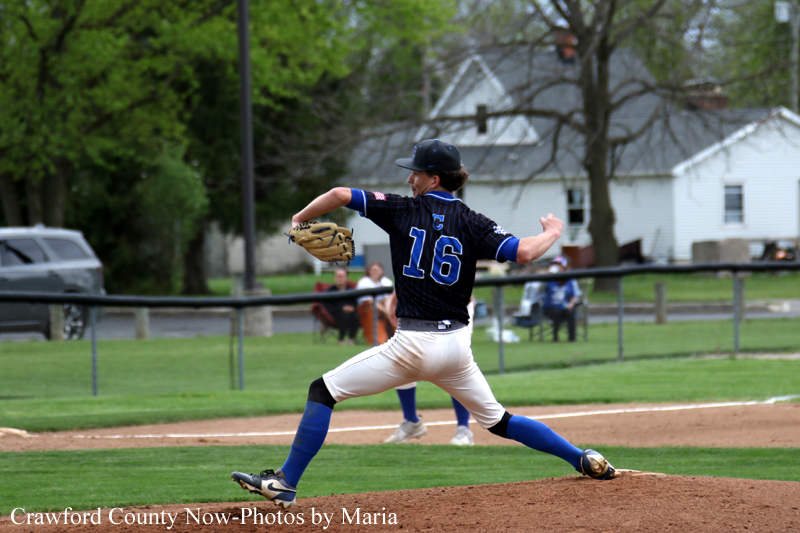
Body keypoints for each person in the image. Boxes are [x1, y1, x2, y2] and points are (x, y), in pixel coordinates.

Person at [232, 138, 616, 509]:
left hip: (413, 344)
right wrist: (552, 232)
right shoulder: (473, 221)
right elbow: (526, 252)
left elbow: (339, 194)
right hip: (456, 349)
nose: (409, 179)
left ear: (434, 178)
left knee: (323, 391)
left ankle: (285, 482)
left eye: (415, 172)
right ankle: (581, 458)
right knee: (498, 420)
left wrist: (300, 221)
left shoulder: (400, 209)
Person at [384, 294, 477, 446]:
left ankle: (463, 429)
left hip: (456, 303)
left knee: (454, 361)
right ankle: (411, 421)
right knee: (404, 358)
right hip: (421, 302)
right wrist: (394, 300)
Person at [542, 256, 581, 342]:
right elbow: (539, 290)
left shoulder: (570, 280)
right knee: (557, 312)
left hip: (565, 307)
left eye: (559, 265)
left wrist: (571, 304)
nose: (556, 267)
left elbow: (574, 296)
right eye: (555, 265)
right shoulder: (548, 279)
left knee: (570, 312)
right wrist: (546, 274)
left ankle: (572, 338)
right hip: (551, 308)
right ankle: (555, 338)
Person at [355, 262, 395, 345]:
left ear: (381, 271)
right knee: (371, 311)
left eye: (377, 270)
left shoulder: (385, 281)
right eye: (373, 270)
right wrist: (384, 310)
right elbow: (369, 301)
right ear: (369, 271)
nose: (375, 272)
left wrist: (388, 311)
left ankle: (397, 338)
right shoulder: (364, 282)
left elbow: (388, 299)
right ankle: (379, 340)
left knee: (395, 311)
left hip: (384, 308)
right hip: (368, 308)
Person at [323, 267, 359, 346]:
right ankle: (341, 339)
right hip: (335, 314)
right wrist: (341, 308)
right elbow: (328, 306)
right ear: (335, 278)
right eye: (338, 276)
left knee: (356, 316)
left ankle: (351, 339)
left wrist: (351, 308)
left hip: (350, 313)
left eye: (342, 276)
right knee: (345, 316)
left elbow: (355, 303)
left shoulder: (351, 290)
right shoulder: (330, 291)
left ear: (346, 278)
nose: (340, 278)